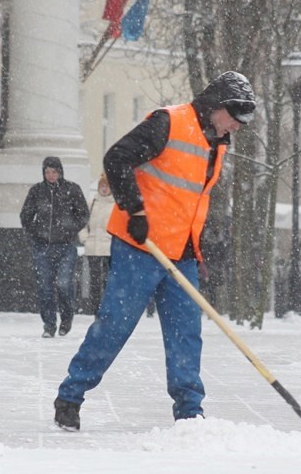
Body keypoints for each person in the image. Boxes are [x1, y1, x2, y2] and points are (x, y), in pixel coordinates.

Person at [53, 71, 257, 430]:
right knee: (115, 325)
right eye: (235, 120)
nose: (236, 128)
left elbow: (190, 200)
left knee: (186, 333)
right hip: (140, 247)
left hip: (182, 253)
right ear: (218, 107)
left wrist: (202, 247)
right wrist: (135, 210)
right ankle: (71, 395)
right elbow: (117, 158)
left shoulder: (217, 143)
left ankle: (190, 412)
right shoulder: (169, 123)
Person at [20, 157, 90, 338]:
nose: (51, 176)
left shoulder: (72, 190)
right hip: (42, 246)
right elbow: (26, 215)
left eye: (54, 172)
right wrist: (35, 232)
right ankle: (49, 325)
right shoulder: (37, 191)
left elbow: (83, 214)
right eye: (47, 172)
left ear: (60, 172)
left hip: (66, 246)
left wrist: (70, 229)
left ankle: (67, 317)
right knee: (45, 287)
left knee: (64, 283)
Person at [78, 173, 116, 315]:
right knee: (95, 281)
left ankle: (107, 309)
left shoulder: (115, 205)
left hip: (108, 248)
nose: (104, 189)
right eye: (102, 186)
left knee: (107, 281)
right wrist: (85, 238)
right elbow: (83, 223)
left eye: (107, 186)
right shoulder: (92, 203)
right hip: (93, 247)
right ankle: (96, 309)